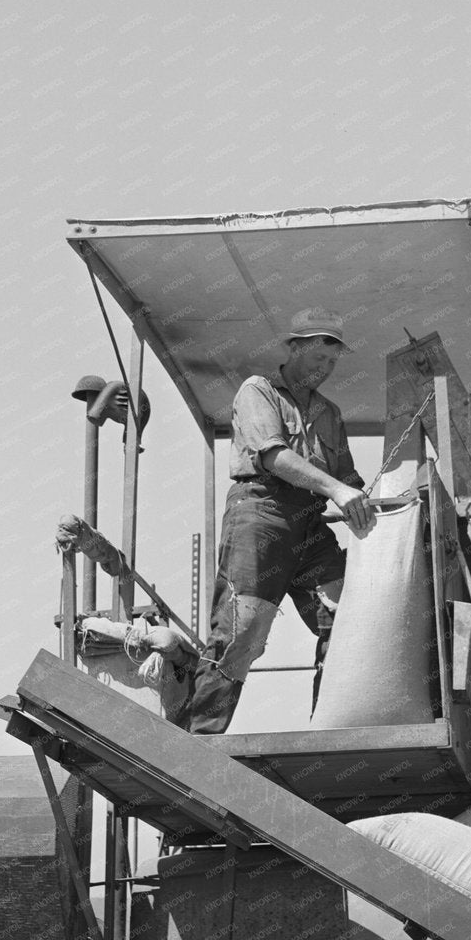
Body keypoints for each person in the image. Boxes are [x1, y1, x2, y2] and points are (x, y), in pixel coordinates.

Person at [175, 308, 377, 735]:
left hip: (310, 522)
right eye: (317, 359)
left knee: (349, 619)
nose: (324, 370)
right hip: (260, 513)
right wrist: (339, 491)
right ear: (294, 348)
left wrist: (374, 499)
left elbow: (348, 480)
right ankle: (198, 741)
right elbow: (273, 457)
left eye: (331, 363)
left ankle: (332, 733)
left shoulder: (330, 412)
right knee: (241, 628)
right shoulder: (258, 390)